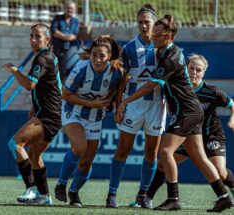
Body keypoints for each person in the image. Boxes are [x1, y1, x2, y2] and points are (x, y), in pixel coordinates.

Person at [116, 15, 232, 212]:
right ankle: (223, 196)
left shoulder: (170, 57)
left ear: (168, 36)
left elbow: (151, 85)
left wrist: (124, 101)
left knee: (165, 152)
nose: (153, 36)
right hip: (191, 110)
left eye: (158, 34)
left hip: (186, 112)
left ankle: (173, 198)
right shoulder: (167, 51)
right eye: (153, 32)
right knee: (198, 157)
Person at [141, 54, 234, 211]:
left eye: (199, 70)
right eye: (191, 68)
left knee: (220, 172)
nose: (194, 72)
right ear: (185, 69)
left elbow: (231, 104)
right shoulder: (179, 88)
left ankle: (227, 192)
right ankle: (147, 198)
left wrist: (232, 119)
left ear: (204, 72)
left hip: (211, 134)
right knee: (164, 162)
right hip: (187, 134)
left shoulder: (212, 92)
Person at [105, 4, 166, 208]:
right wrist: (119, 105)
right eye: (140, 22)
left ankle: (143, 195)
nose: (143, 25)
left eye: (147, 22)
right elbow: (122, 78)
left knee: (152, 152)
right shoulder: (130, 48)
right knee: (123, 148)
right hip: (134, 102)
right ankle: (111, 195)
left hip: (158, 103)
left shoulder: (164, 47)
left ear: (154, 23)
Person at [54, 35, 123, 207]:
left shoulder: (115, 72)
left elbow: (117, 89)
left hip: (94, 118)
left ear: (109, 57)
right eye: (94, 55)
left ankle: (74, 193)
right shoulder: (81, 68)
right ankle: (61, 184)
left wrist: (111, 104)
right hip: (73, 112)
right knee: (79, 147)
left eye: (102, 56)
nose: (97, 59)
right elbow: (65, 94)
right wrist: (91, 103)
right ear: (89, 55)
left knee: (86, 163)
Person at [3, 23, 62, 205]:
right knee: (35, 156)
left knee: (15, 143)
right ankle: (44, 197)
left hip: (48, 115)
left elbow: (30, 84)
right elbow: (52, 87)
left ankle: (31, 188)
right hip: (52, 113)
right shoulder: (48, 57)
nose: (33, 40)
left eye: (37, 36)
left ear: (47, 39)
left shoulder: (42, 58)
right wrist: (36, 106)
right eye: (31, 36)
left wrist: (14, 71)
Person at [51, 1, 79, 81]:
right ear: (65, 9)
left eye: (72, 8)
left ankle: (62, 89)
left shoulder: (75, 21)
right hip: (56, 48)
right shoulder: (58, 18)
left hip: (68, 50)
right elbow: (54, 31)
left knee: (65, 71)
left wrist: (63, 37)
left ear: (75, 10)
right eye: (68, 8)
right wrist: (66, 37)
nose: (70, 10)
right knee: (55, 70)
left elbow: (75, 35)